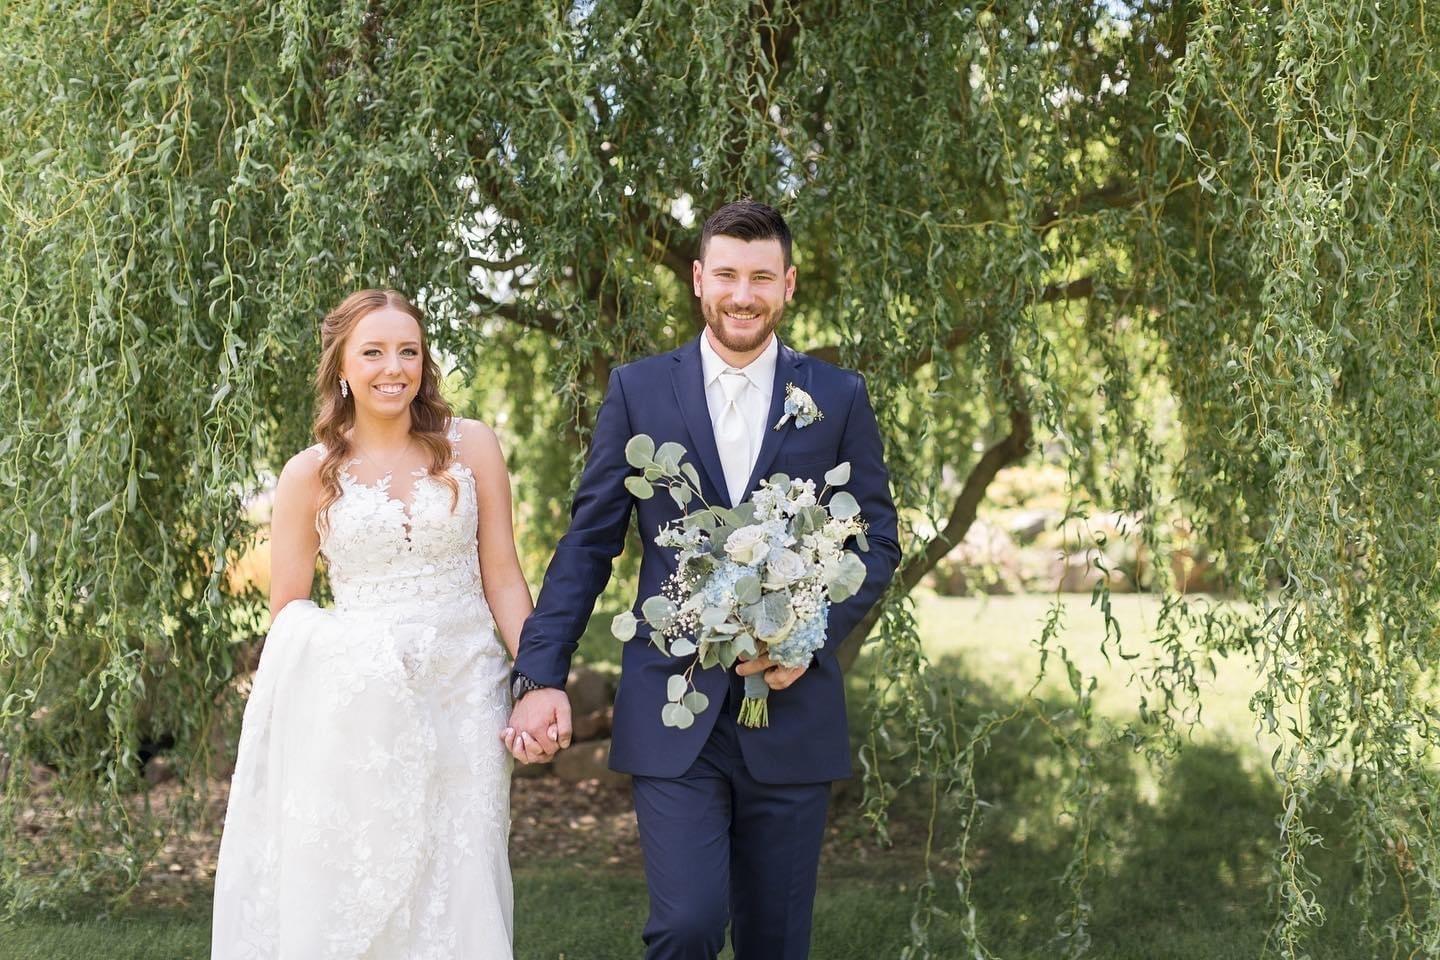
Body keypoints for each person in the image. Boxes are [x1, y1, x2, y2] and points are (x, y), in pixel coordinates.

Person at [505, 200, 901, 960]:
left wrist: (805, 636)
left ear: (788, 284)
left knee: (775, 941)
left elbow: (877, 540)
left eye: (761, 277)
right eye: (726, 275)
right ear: (697, 279)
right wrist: (539, 674)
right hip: (672, 705)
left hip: (792, 710)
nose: (742, 295)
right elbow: (589, 543)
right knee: (686, 925)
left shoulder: (837, 397)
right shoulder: (639, 391)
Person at [211, 289, 531, 959]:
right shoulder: (309, 474)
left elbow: (502, 574)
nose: (394, 368)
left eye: (409, 351)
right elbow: (289, 615)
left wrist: (537, 681)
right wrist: (363, 651)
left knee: (465, 868)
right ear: (342, 367)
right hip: (370, 702)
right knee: (377, 866)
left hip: (468, 690)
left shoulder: (472, 446)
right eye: (374, 352)